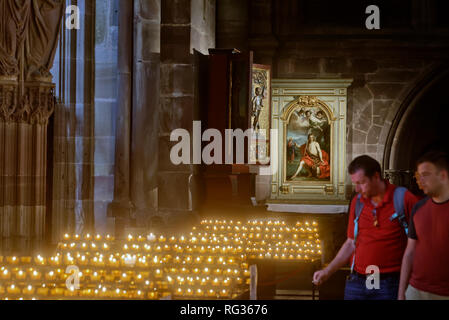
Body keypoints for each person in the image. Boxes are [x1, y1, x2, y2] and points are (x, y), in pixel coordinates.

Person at [312, 155, 419, 299]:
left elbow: (420, 241)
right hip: (358, 281)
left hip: (389, 283)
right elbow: (351, 243)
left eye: (361, 183)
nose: (357, 189)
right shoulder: (358, 202)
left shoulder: (403, 198)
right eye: (354, 183)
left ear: (376, 176)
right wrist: (328, 271)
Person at [398, 151, 449, 300]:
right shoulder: (419, 207)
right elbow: (410, 251)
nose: (420, 180)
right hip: (416, 290)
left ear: (443, 176)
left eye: (425, 174)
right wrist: (401, 293)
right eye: (418, 175)